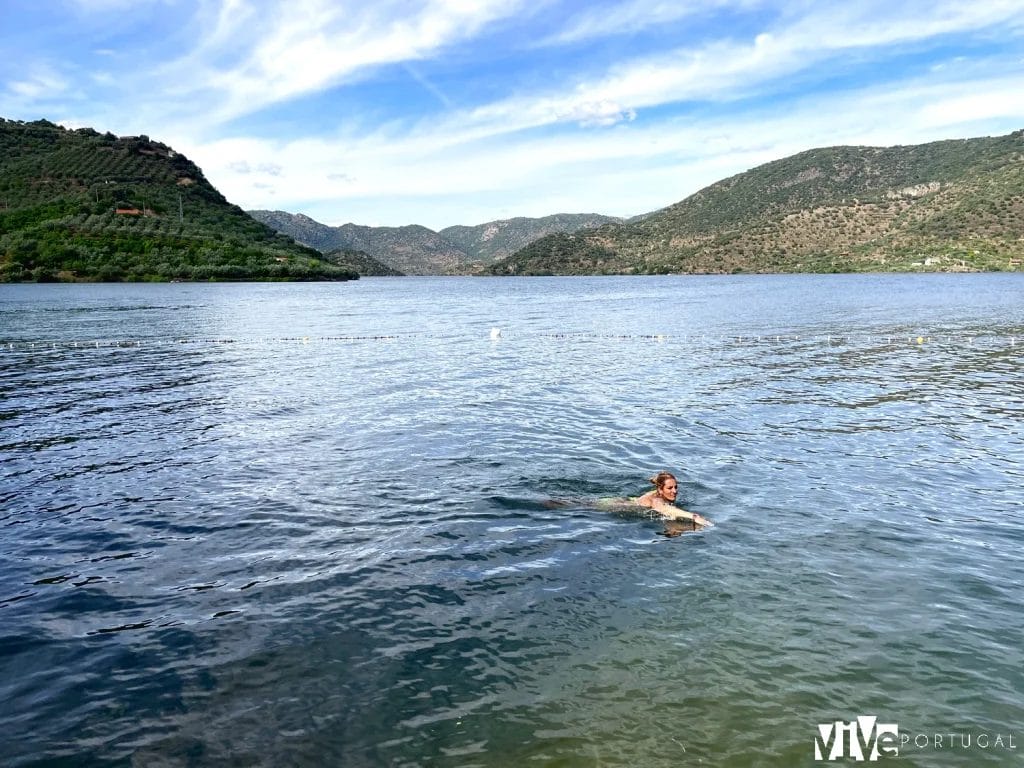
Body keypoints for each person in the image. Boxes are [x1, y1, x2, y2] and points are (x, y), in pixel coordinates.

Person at [633, 472, 711, 529]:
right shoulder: (656, 500)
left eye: (675, 487)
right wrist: (694, 517)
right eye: (670, 488)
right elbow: (666, 509)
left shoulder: (658, 493)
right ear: (660, 490)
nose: (675, 491)